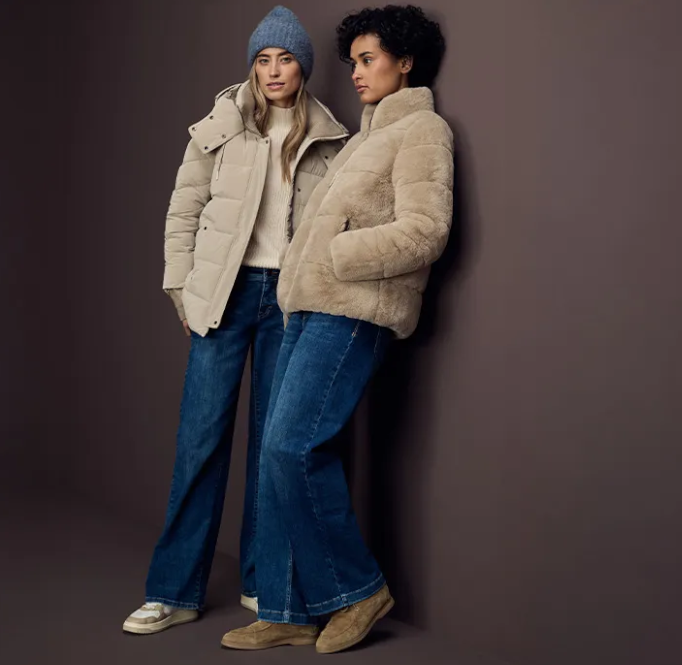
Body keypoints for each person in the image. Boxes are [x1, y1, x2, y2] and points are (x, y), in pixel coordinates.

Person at [222, 5, 453, 653]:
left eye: (368, 60)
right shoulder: (360, 140)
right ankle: (289, 610)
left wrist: (338, 256)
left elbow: (426, 229)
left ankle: (358, 589)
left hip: (354, 310)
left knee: (292, 447)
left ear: (405, 62)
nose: (355, 72)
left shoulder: (424, 130)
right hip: (307, 307)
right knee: (274, 457)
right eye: (352, 61)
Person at [122, 6, 347, 636]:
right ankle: (173, 591)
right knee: (200, 441)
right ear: (252, 66)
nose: (273, 71)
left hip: (291, 302)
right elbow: (183, 211)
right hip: (226, 294)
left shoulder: (331, 139)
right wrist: (183, 291)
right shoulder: (221, 126)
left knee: (272, 447)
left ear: (303, 67)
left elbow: (335, 228)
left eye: (285, 59)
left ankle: (261, 580)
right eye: (263, 59)